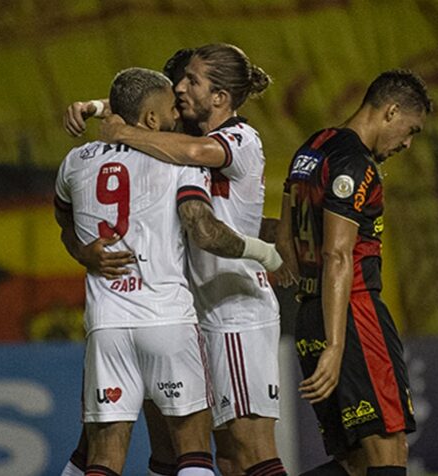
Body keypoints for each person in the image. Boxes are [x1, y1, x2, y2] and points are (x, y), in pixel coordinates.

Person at [65, 44, 292, 476]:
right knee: (218, 457)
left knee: (250, 451)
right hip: (190, 311)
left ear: (221, 98)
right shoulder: (181, 134)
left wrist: (123, 134)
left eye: (192, 82)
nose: (180, 88)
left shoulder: (239, 138)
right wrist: (94, 106)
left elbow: (188, 152)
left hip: (234, 310)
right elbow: (141, 104)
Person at [275, 70, 433, 476]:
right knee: (388, 447)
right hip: (351, 315)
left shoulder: (312, 148)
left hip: (311, 314)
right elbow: (338, 254)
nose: (407, 144)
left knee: (355, 461)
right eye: (409, 130)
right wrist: (335, 344)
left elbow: (284, 240)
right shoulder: (355, 164)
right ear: (391, 110)